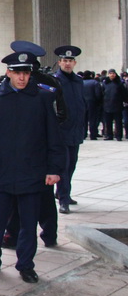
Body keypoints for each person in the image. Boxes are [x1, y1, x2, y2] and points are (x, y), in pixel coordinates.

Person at [0, 51, 65, 284]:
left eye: (25, 73)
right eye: (17, 72)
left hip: (32, 170)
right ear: (8, 72)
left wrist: (54, 169)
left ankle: (26, 265)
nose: (21, 78)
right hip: (0, 169)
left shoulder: (43, 97)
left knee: (28, 223)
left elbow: (54, 137)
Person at [52, 46, 85, 213]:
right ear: (59, 62)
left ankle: (62, 192)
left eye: (70, 61)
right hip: (61, 130)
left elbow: (81, 104)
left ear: (75, 63)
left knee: (72, 164)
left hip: (76, 130)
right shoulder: (54, 80)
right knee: (63, 166)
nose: (67, 63)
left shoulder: (78, 81)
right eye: (64, 60)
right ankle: (63, 200)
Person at [102, 69, 127, 141]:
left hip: (117, 105)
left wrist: (125, 101)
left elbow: (124, 94)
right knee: (108, 122)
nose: (112, 75)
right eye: (110, 73)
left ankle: (118, 135)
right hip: (107, 104)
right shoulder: (105, 83)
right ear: (108, 74)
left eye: (113, 73)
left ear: (115, 74)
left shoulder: (119, 83)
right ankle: (109, 135)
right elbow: (102, 93)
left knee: (118, 122)